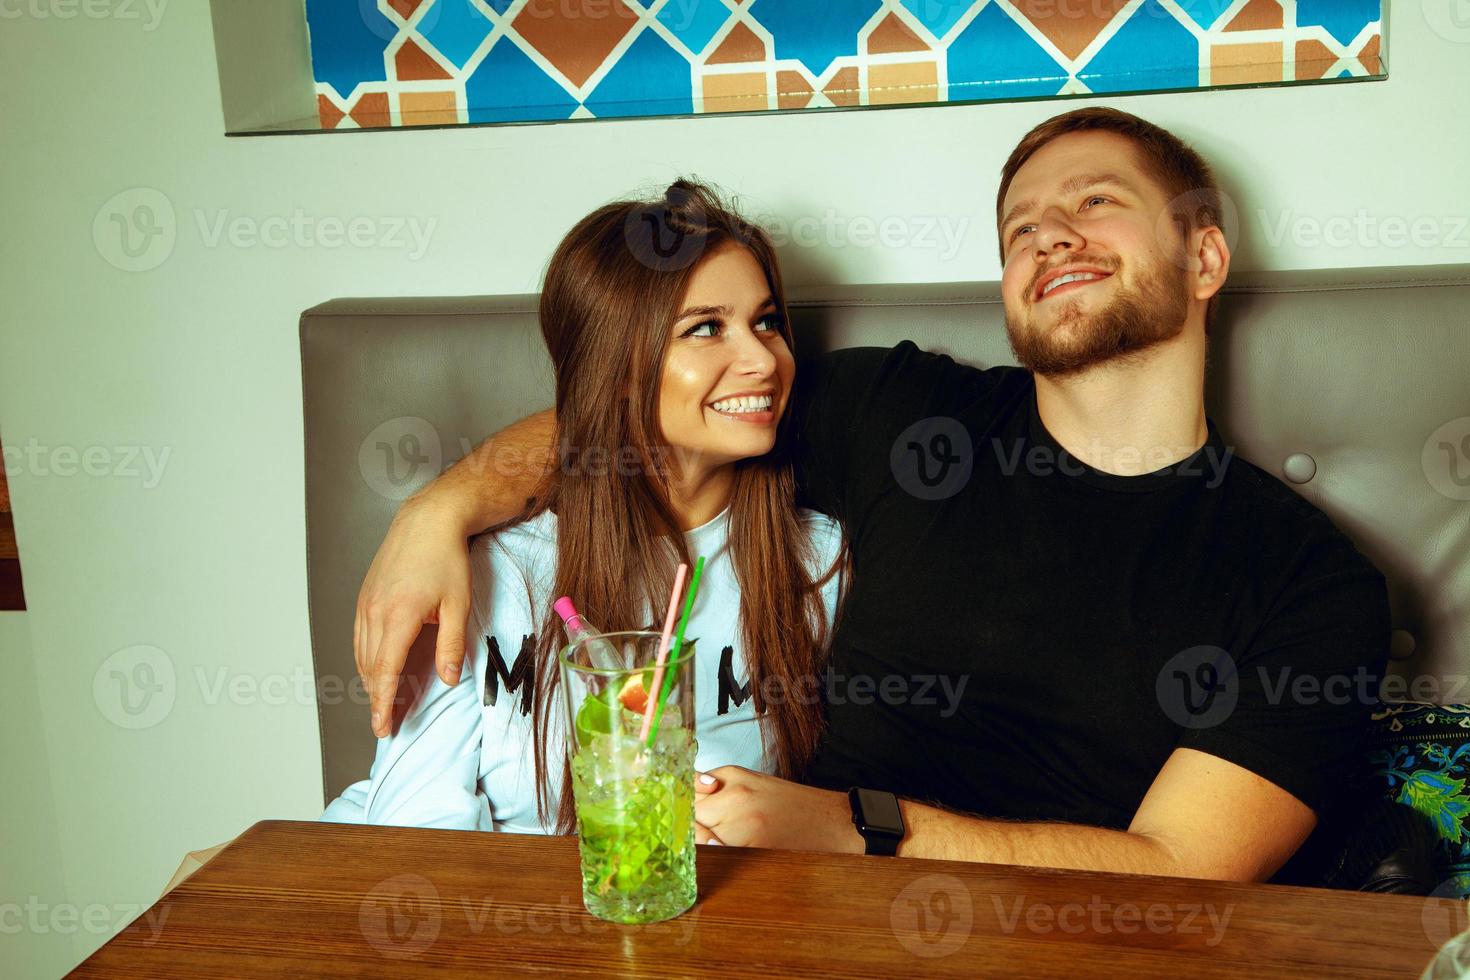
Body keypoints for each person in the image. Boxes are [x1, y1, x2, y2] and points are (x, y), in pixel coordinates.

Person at [353, 108, 1388, 882]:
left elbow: (1184, 871)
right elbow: (642, 417)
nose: (1049, 237)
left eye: (1094, 203)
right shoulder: (904, 414)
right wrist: (441, 505)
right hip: (807, 919)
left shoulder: (1309, 575)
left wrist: (862, 822)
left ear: (1205, 253)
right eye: (1019, 227)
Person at [323, 180, 844, 833]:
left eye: (766, 322)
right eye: (706, 328)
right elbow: (415, 824)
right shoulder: (490, 568)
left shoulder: (824, 565)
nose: (762, 360)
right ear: (618, 371)